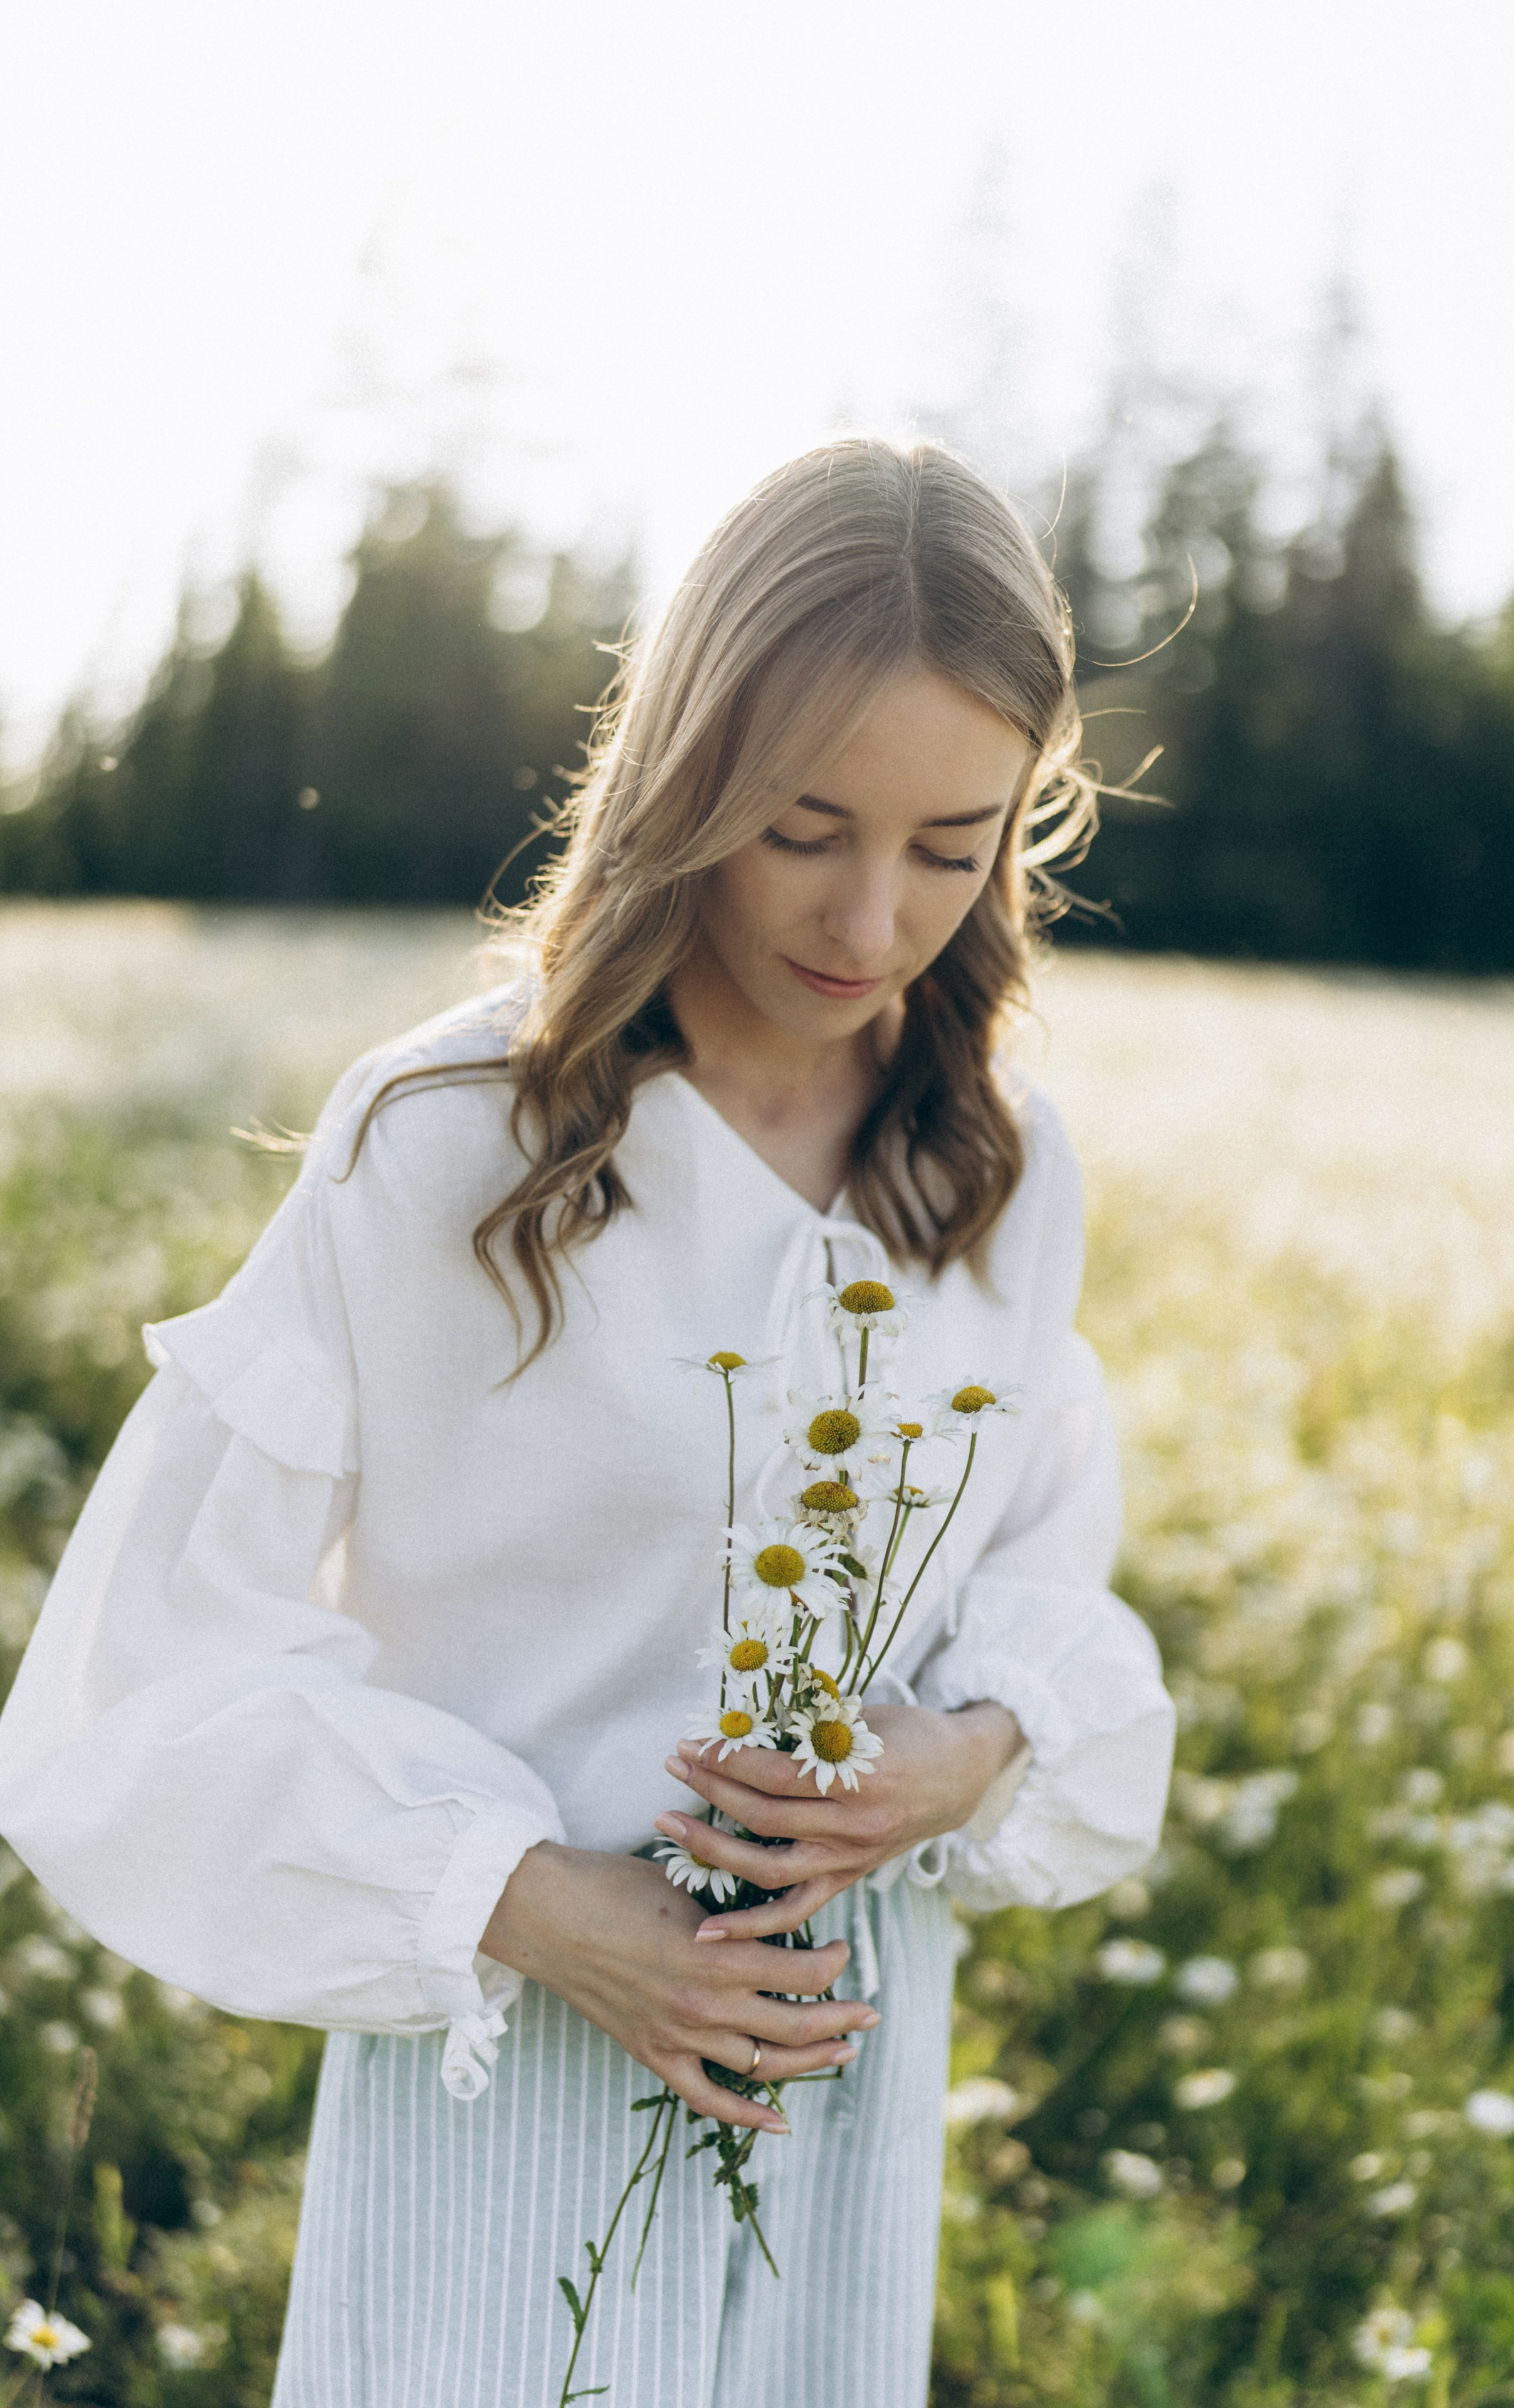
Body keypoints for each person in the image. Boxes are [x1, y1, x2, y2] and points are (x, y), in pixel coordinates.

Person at [0, 437, 1175, 2407]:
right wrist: (548, 1914)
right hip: (513, 2050)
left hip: (841, 2065)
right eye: (806, 826)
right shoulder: (448, 1140)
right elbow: (146, 1675)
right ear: (688, 770)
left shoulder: (996, 1164)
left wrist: (963, 1757)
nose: (874, 918)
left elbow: (1039, 1573)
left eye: (953, 844)